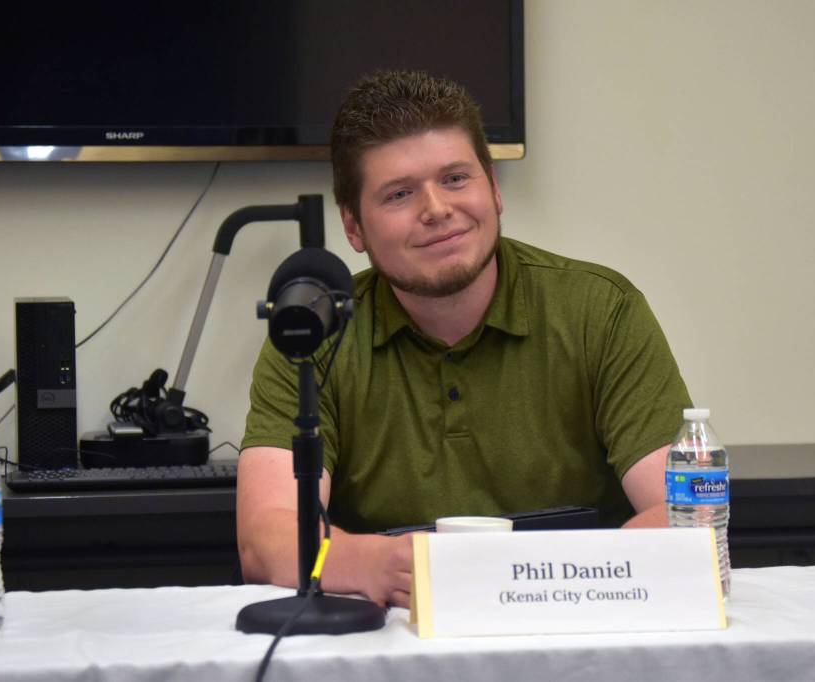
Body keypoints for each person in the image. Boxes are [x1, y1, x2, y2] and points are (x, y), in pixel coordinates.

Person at [237, 70, 691, 609]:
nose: (436, 209)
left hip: (580, 626)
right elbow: (265, 541)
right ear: (354, 228)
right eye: (400, 194)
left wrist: (537, 582)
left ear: (493, 189)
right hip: (390, 638)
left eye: (455, 178)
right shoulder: (314, 332)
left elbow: (684, 516)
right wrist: (375, 565)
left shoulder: (601, 310)